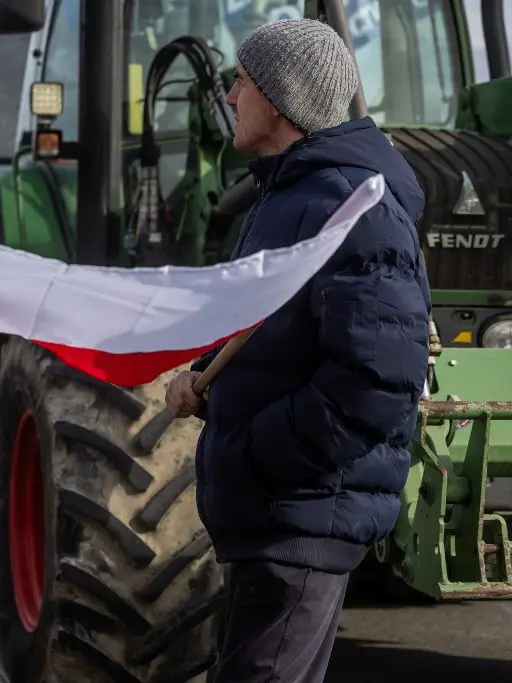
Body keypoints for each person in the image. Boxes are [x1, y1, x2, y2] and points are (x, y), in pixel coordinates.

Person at [164, 19, 431, 683]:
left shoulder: (348, 206)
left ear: (280, 100)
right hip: (275, 516)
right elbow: (266, 326)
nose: (229, 96)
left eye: (243, 82)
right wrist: (206, 378)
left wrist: (256, 453)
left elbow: (376, 380)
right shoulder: (289, 194)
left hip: (299, 516)